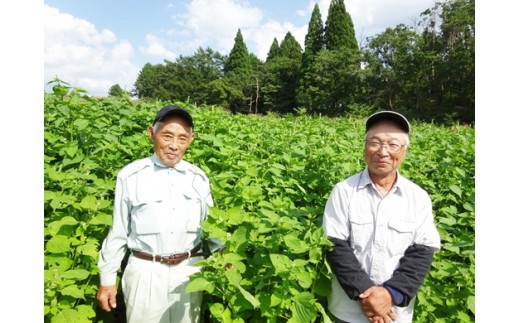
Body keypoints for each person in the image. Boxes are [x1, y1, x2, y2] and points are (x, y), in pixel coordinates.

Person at [96, 105, 220, 323]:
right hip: (146, 273)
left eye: (182, 138)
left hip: (189, 272)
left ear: (191, 140)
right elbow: (118, 232)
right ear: (151, 133)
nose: (174, 145)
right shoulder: (131, 175)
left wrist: (224, 260)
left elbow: (211, 229)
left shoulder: (198, 178)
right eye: (167, 135)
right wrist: (107, 280)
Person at [322, 111, 441, 323]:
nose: (383, 151)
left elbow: (423, 252)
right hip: (349, 312)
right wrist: (368, 295)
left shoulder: (418, 197)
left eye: (393, 145)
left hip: (395, 313)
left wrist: (391, 295)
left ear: (404, 150)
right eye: (375, 142)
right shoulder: (343, 191)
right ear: (364, 146)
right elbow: (334, 245)